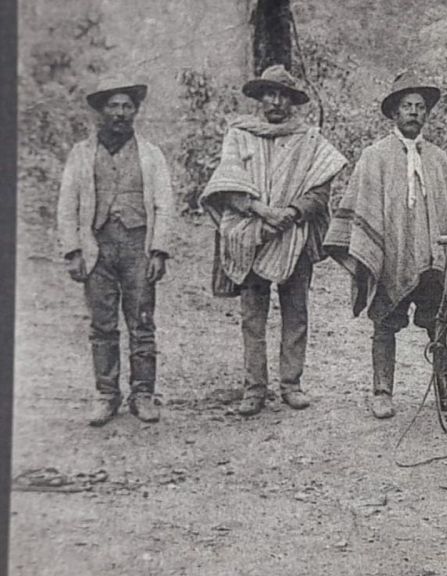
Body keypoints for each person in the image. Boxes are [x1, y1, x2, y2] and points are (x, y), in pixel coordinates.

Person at [325, 71, 447, 420]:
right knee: (385, 323)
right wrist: (375, 249)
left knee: (442, 323)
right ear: (394, 113)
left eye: (420, 107)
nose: (414, 113)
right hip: (391, 256)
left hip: (433, 259)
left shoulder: (437, 158)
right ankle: (382, 392)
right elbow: (362, 207)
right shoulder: (374, 156)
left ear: (426, 114)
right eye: (407, 106)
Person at [201, 65, 347, 416]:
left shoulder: (310, 140)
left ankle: (291, 384)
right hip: (251, 233)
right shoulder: (239, 135)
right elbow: (228, 186)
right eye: (270, 94)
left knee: (295, 311)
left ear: (293, 102)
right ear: (259, 98)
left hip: (294, 236)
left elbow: (320, 191)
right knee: (253, 314)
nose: (276, 102)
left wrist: (292, 213)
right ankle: (254, 389)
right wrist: (262, 212)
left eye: (283, 95)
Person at [57, 76, 175, 425]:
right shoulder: (81, 154)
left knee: (141, 322)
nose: (121, 113)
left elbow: (165, 204)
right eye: (114, 106)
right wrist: (73, 251)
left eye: (127, 106)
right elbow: (67, 204)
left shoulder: (151, 154)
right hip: (98, 247)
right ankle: (107, 394)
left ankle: (143, 394)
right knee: (102, 324)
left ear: (135, 111)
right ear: (100, 112)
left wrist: (159, 251)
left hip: (138, 246)